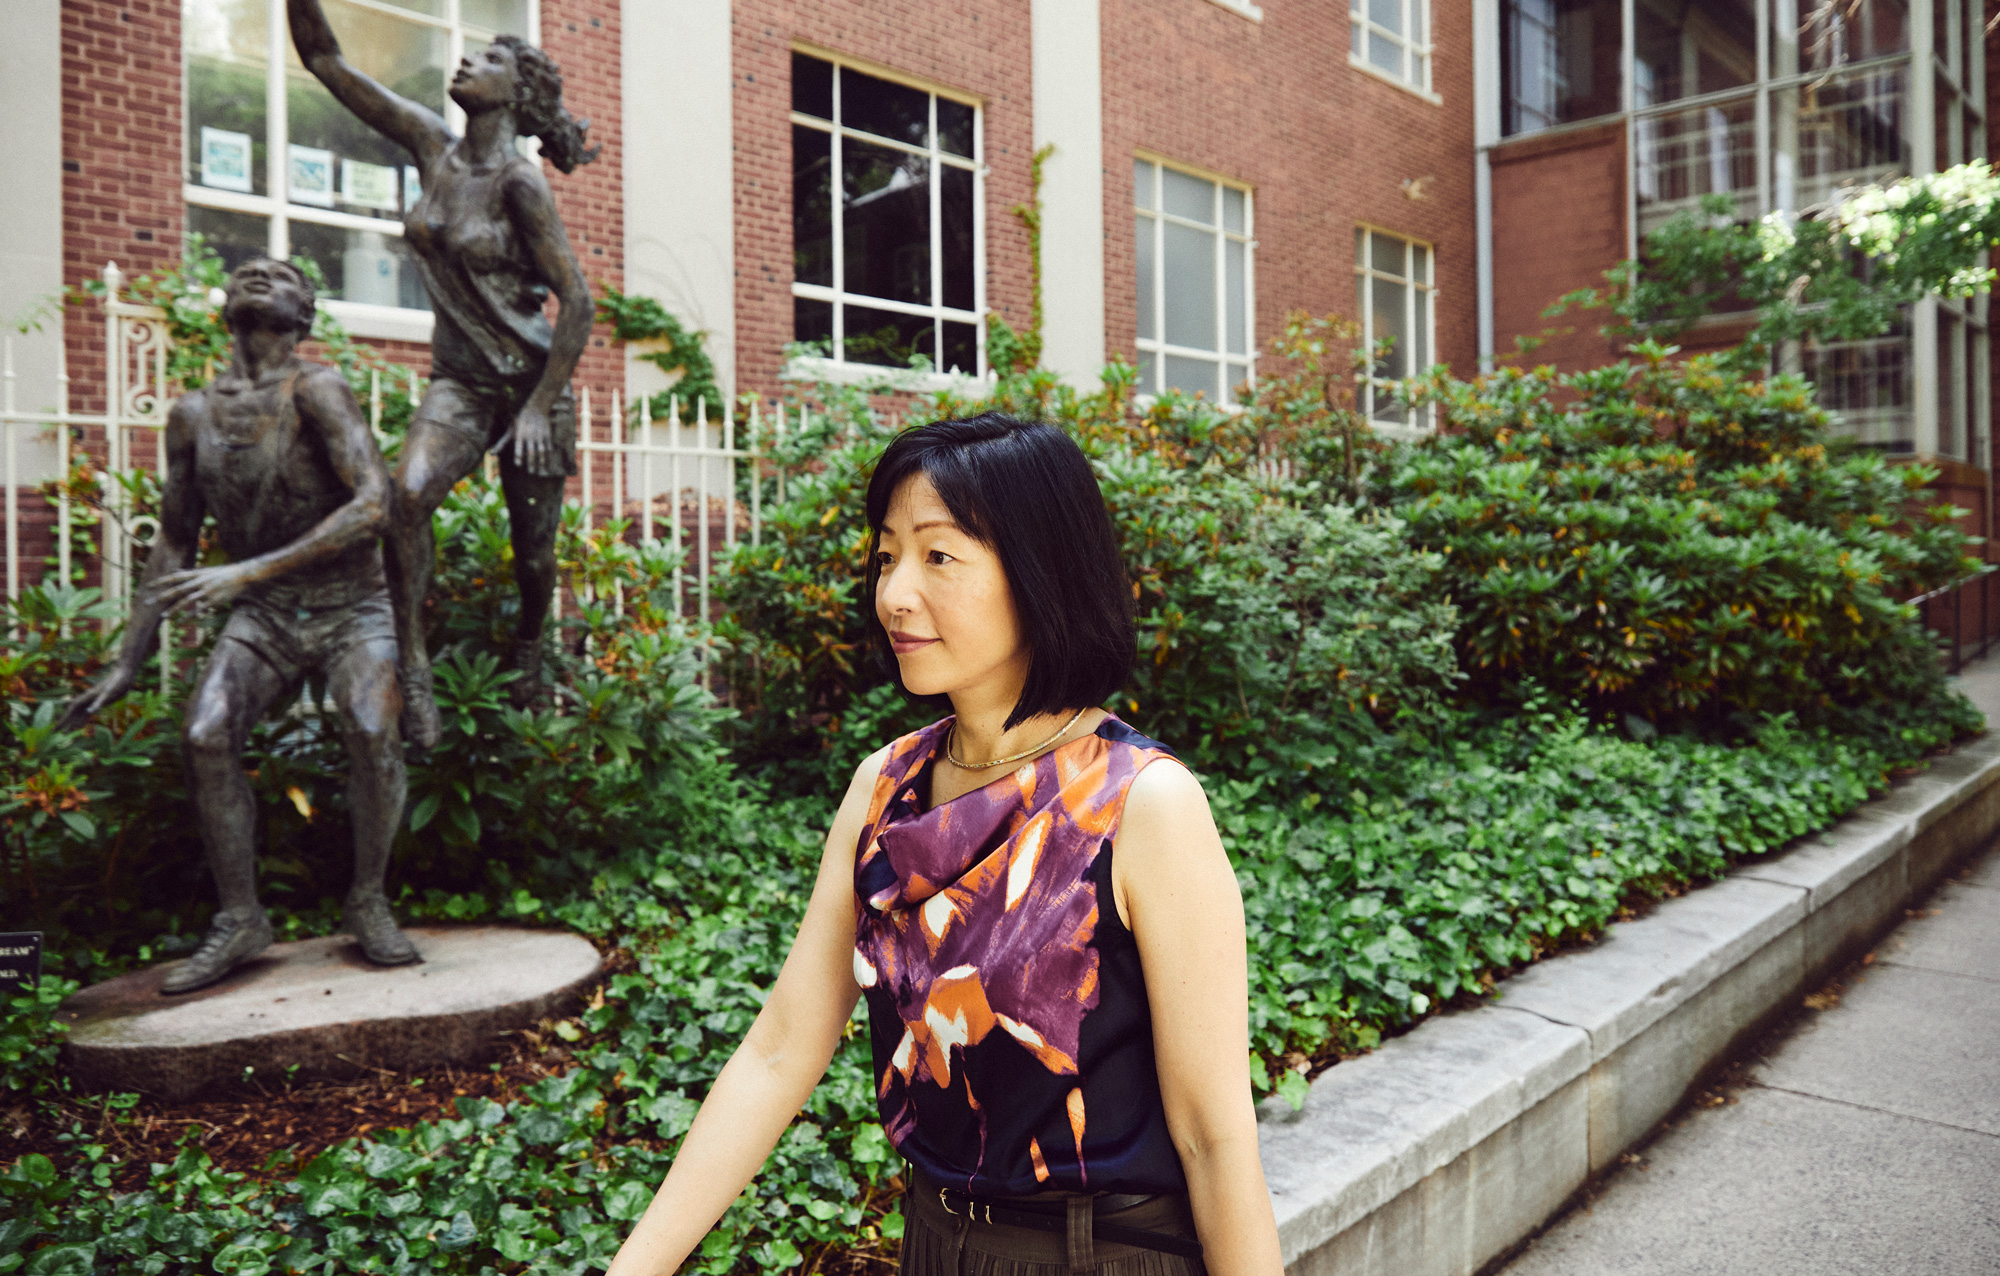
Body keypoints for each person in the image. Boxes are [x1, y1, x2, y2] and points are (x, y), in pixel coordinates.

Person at [606, 414, 1284, 1275]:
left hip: (1102, 1254)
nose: (893, 593)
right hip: (934, 1242)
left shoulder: (1140, 805)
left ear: (1040, 574)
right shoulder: (883, 790)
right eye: (888, 555)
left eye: (938, 555)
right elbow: (779, 1049)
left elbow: (1213, 1138)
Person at [61, 257, 416, 992]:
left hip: (351, 605)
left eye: (280, 274)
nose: (259, 274)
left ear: (305, 315)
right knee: (206, 732)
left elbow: (374, 505)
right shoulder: (192, 415)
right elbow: (174, 539)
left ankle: (368, 897)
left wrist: (244, 572)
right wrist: (129, 659)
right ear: (227, 307)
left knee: (372, 726)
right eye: (248, 271)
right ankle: (242, 917)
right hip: (266, 616)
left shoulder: (318, 389)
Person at [288, 0, 598, 747]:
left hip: (529, 387)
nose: (467, 60)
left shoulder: (522, 184)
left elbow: (579, 300)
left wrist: (538, 407)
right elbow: (327, 63)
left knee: (535, 557)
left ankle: (533, 645)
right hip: (458, 384)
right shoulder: (431, 147)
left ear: (518, 95)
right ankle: (415, 672)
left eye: (491, 58)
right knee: (406, 496)